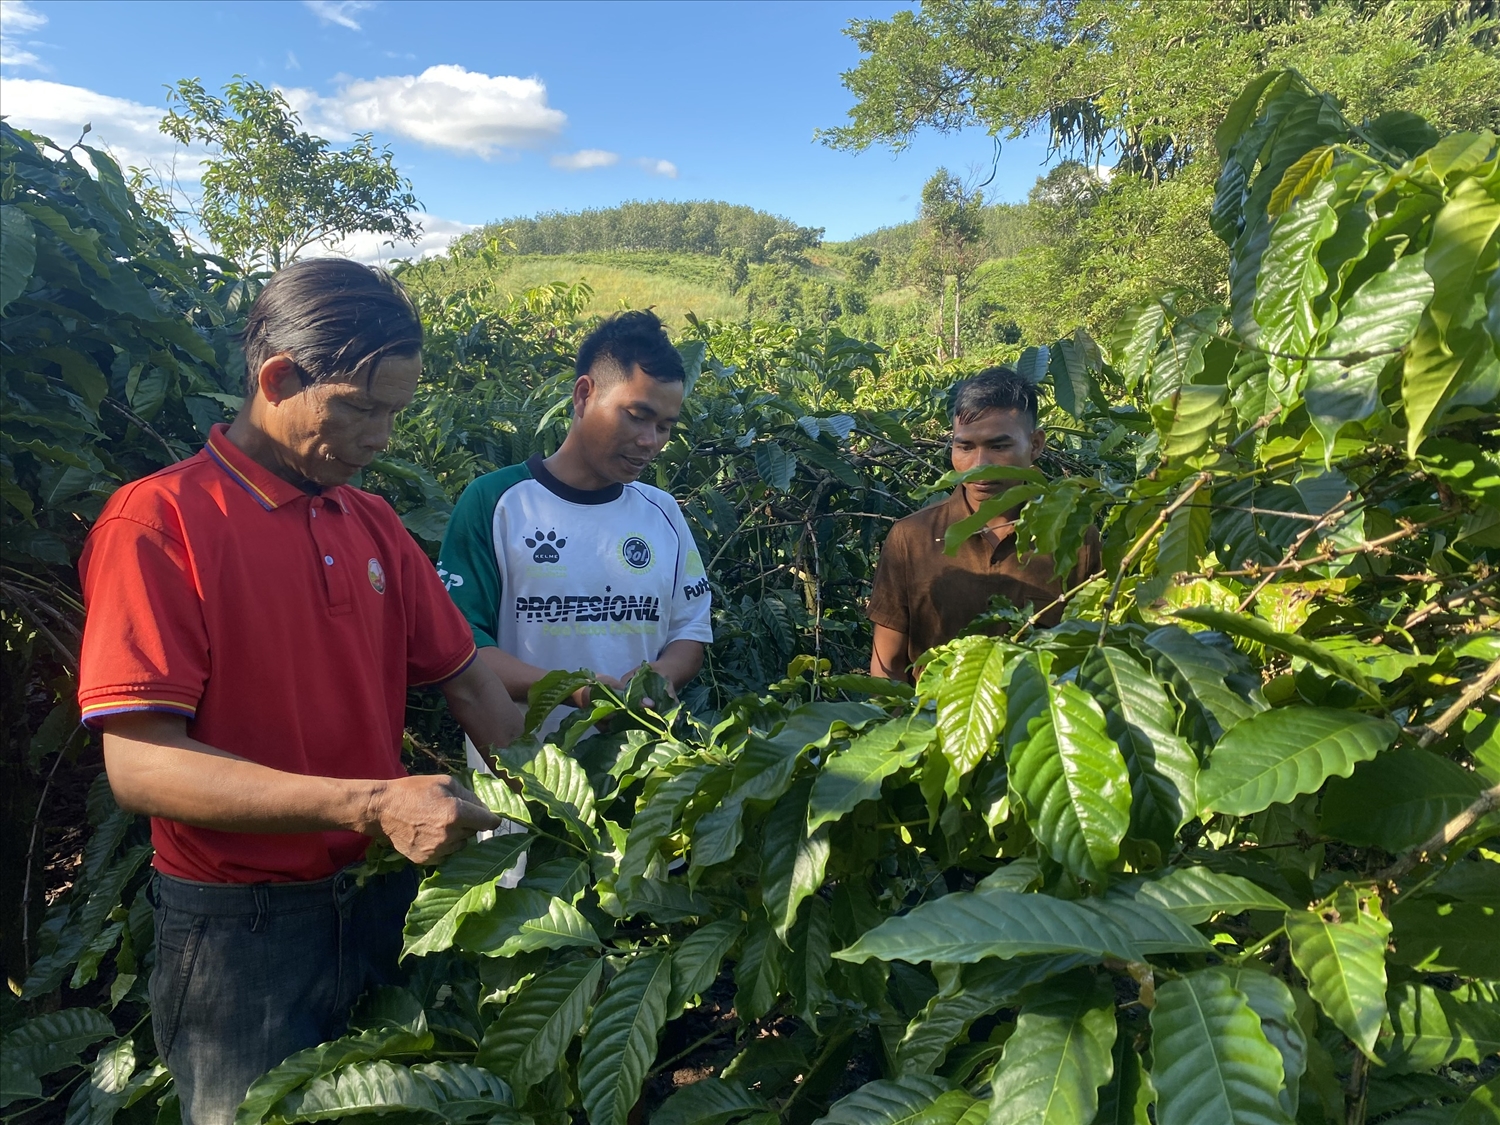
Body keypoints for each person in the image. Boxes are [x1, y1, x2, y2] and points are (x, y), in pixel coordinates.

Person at [76, 259, 522, 1125]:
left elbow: (471, 684)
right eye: (361, 407)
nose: (382, 435)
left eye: (396, 410)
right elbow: (140, 766)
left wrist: (579, 814)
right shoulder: (159, 523)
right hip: (241, 931)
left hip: (382, 895)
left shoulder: (372, 520)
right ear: (277, 378)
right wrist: (371, 803)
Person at [438, 309, 712, 753]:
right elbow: (463, 648)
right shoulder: (496, 503)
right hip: (525, 783)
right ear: (584, 395)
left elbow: (689, 634)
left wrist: (654, 682)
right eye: (637, 416)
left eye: (664, 427)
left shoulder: (663, 513)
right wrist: (577, 689)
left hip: (640, 777)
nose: (651, 441)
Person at [867, 366, 1102, 681]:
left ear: (1035, 445)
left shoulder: (1077, 539)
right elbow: (888, 668)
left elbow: (1092, 655)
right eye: (965, 447)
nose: (979, 466)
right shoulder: (912, 539)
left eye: (998, 446)